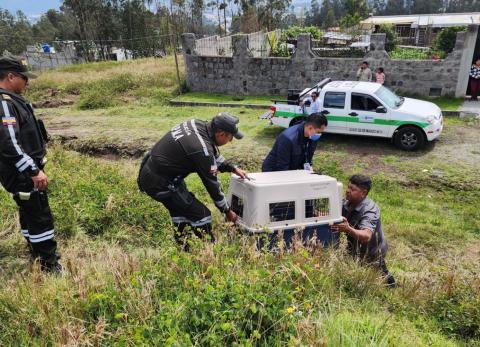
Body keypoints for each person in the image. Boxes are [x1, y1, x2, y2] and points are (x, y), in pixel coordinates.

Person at [137, 112, 248, 250]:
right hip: (159, 182)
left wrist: (232, 168)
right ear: (221, 134)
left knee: (180, 212)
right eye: (230, 137)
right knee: (202, 215)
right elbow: (212, 184)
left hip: (159, 174)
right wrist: (227, 210)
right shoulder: (201, 149)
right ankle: (210, 252)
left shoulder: (198, 125)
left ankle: (184, 250)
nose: (230, 141)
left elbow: (211, 154)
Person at [0, 56, 61, 272]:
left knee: (29, 211)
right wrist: (33, 170)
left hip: (24, 172)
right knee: (39, 214)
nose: (27, 82)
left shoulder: (13, 100)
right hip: (23, 173)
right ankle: (49, 264)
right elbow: (9, 143)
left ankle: (36, 253)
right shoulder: (5, 104)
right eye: (24, 78)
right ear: (10, 76)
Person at [331, 174, 396, 287]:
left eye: (353, 189)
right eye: (348, 187)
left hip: (373, 250)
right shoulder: (347, 203)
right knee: (353, 268)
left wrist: (348, 229)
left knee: (379, 271)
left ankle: (391, 286)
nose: (348, 191)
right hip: (354, 246)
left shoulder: (370, 210)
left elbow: (367, 236)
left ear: (363, 193)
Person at [262, 113, 328, 172]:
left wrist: (309, 171)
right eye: (318, 132)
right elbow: (282, 167)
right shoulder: (288, 138)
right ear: (310, 128)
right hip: (273, 171)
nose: (320, 134)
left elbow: (308, 159)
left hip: (291, 170)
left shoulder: (312, 138)